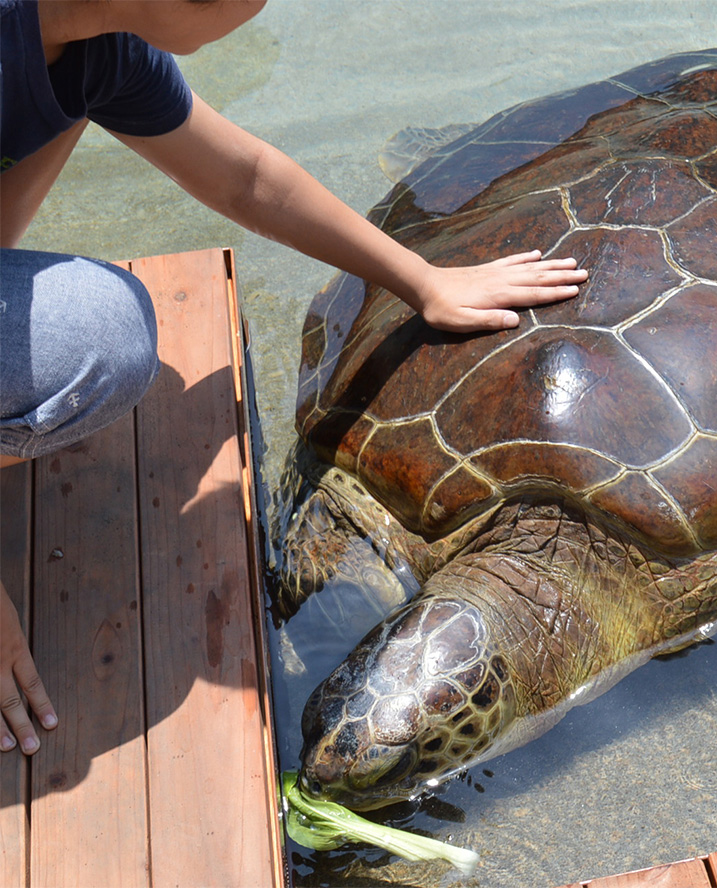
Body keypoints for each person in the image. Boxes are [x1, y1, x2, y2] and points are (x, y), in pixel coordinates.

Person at [0, 0, 587, 756]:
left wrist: (422, 280)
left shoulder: (91, 46)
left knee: (124, 327)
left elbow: (247, 179)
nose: (250, 23)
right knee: (105, 339)